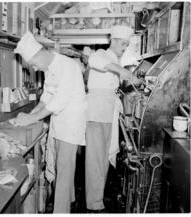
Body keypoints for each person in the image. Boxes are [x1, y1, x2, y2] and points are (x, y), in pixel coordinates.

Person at [13, 32, 87, 213]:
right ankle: (68, 202)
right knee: (61, 168)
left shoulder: (67, 66)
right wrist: (31, 113)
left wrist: (30, 119)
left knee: (64, 172)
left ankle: (61, 212)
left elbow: (58, 101)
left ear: (39, 54)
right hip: (58, 124)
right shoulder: (49, 68)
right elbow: (46, 98)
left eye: (33, 64)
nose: (36, 69)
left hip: (70, 127)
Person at [84, 25, 141, 212]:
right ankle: (93, 204)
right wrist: (125, 73)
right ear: (113, 40)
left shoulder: (114, 59)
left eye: (127, 44)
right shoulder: (102, 53)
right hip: (96, 114)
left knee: (103, 159)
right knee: (95, 161)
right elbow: (94, 60)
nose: (124, 47)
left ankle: (97, 199)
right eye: (123, 44)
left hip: (107, 114)